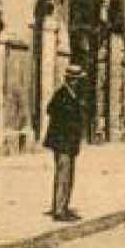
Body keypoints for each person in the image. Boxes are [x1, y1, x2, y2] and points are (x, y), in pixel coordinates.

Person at [44, 66, 87, 221]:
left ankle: (63, 206)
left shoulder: (72, 95)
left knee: (68, 176)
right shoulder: (62, 94)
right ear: (72, 80)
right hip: (62, 141)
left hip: (68, 142)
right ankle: (59, 210)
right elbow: (50, 110)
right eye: (78, 79)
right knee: (63, 175)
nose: (80, 82)